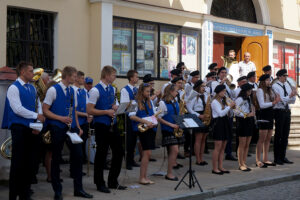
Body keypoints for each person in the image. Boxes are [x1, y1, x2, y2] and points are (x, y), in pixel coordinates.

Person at [43, 66, 93, 200]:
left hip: (71, 127)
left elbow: (74, 110)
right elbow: (45, 110)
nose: (76, 78)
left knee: (78, 155)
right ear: (67, 76)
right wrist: (60, 118)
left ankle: (79, 189)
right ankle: (57, 191)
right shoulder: (53, 90)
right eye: (74, 76)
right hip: (57, 127)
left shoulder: (72, 91)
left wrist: (78, 127)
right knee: (56, 158)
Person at [1, 61, 45, 200]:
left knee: (30, 164)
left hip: (32, 129)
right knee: (17, 164)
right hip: (19, 129)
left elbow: (38, 105)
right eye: (31, 71)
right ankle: (13, 195)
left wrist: (38, 124)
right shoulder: (14, 88)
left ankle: (25, 194)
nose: (34, 73)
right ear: (23, 72)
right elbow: (17, 109)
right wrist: (35, 116)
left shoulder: (32, 88)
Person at [87, 65, 126, 193]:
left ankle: (113, 181)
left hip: (112, 124)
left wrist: (115, 107)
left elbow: (111, 105)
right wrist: (105, 112)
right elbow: (89, 110)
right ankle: (99, 183)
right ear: (107, 75)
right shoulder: (95, 90)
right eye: (114, 75)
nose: (115, 77)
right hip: (101, 125)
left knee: (119, 151)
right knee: (101, 154)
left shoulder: (112, 89)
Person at [129, 83, 157, 185]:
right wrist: (146, 122)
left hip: (150, 128)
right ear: (141, 92)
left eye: (150, 91)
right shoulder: (134, 102)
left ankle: (144, 176)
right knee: (147, 153)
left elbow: (153, 113)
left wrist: (153, 121)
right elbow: (131, 116)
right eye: (147, 91)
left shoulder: (149, 101)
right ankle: (142, 177)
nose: (149, 93)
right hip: (142, 129)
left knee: (148, 153)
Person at [157, 84, 184, 181]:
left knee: (173, 151)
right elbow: (158, 118)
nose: (177, 93)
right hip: (168, 129)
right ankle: (169, 173)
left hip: (176, 128)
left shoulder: (175, 101)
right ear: (171, 91)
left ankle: (170, 172)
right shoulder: (162, 103)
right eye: (176, 91)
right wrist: (171, 125)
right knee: (175, 150)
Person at [211, 67, 237, 161]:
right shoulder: (214, 83)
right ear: (218, 74)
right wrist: (222, 83)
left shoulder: (228, 84)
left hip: (228, 113)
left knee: (228, 135)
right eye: (222, 72)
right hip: (220, 113)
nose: (224, 74)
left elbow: (233, 95)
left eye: (225, 73)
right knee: (219, 142)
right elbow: (215, 93)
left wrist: (229, 85)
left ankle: (228, 153)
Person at [272, 69, 296, 165]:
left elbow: (292, 100)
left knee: (285, 135)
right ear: (279, 76)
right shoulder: (275, 86)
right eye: (284, 76)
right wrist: (289, 97)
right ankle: (277, 157)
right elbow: (281, 100)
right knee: (279, 135)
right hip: (279, 111)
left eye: (286, 76)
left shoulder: (287, 85)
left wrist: (289, 97)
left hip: (287, 111)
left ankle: (283, 156)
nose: (286, 77)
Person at [256, 74, 280, 168]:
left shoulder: (269, 90)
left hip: (270, 114)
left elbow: (272, 103)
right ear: (262, 81)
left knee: (268, 138)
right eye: (267, 80)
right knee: (262, 138)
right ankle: (258, 160)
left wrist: (275, 98)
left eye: (269, 80)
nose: (269, 82)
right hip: (263, 114)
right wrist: (274, 102)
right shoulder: (260, 90)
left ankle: (265, 158)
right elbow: (262, 105)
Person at [211, 85, 235, 175]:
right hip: (218, 123)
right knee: (217, 147)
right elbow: (220, 114)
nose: (225, 93)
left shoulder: (222, 101)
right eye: (223, 91)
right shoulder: (214, 102)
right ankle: (214, 168)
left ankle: (220, 166)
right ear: (219, 92)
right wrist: (229, 107)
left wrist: (231, 107)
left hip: (225, 122)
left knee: (223, 147)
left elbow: (226, 113)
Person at [120, 70, 140, 170]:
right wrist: (134, 100)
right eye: (136, 76)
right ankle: (128, 162)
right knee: (129, 141)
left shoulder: (136, 89)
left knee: (134, 140)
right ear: (131, 78)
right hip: (128, 117)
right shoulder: (125, 90)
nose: (138, 78)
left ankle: (132, 160)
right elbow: (125, 105)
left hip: (136, 116)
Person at [186, 80, 209, 165]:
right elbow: (189, 109)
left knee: (204, 139)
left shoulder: (206, 95)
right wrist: (199, 116)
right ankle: (198, 159)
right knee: (198, 139)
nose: (204, 88)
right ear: (198, 86)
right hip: (198, 116)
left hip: (205, 115)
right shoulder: (193, 95)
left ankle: (202, 158)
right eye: (202, 86)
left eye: (205, 86)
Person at [72, 71, 93, 164]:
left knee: (82, 144)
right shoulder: (73, 91)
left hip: (84, 122)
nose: (83, 80)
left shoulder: (82, 92)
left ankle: (79, 165)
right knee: (76, 148)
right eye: (82, 78)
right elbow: (74, 110)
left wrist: (90, 115)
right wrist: (85, 115)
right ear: (76, 78)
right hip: (76, 123)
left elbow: (88, 106)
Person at [234, 83, 256, 172]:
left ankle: (244, 162)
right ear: (245, 91)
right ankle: (240, 164)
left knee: (247, 143)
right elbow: (236, 111)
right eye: (249, 91)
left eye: (250, 91)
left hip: (249, 121)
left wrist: (253, 111)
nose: (250, 92)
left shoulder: (249, 99)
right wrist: (246, 115)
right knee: (242, 143)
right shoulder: (239, 99)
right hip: (242, 121)